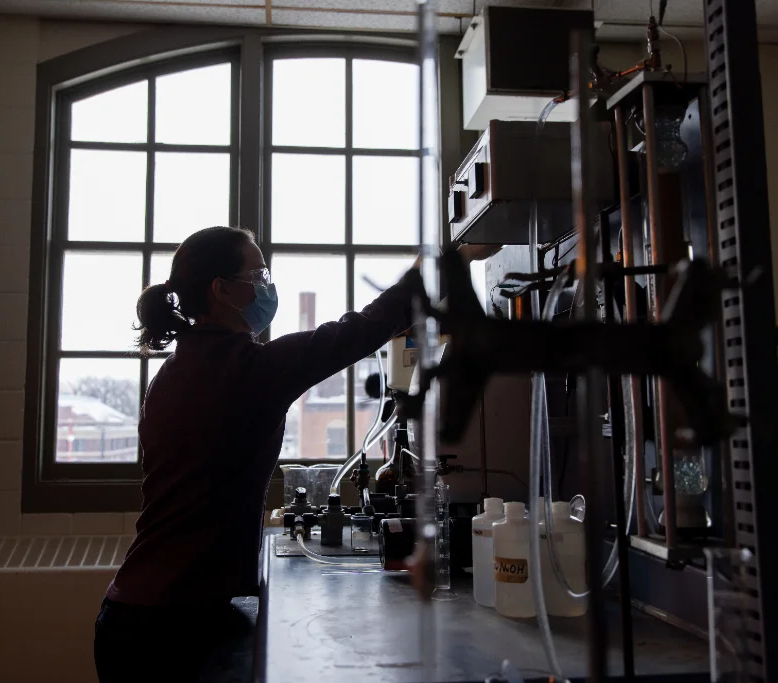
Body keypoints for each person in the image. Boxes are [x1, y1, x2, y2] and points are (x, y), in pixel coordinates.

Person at [94, 226, 495, 682]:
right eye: (259, 272)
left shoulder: (175, 373)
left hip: (139, 616)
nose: (268, 284)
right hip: (169, 631)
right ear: (221, 289)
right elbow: (356, 331)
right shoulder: (248, 369)